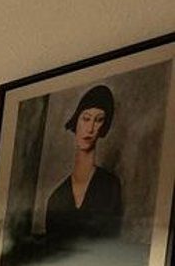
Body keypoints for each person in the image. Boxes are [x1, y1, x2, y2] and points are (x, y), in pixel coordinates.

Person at [43, 83, 123, 247]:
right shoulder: (56, 197)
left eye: (98, 120)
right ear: (76, 121)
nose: (90, 128)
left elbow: (112, 246)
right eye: (86, 118)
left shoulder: (111, 186)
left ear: (103, 127)